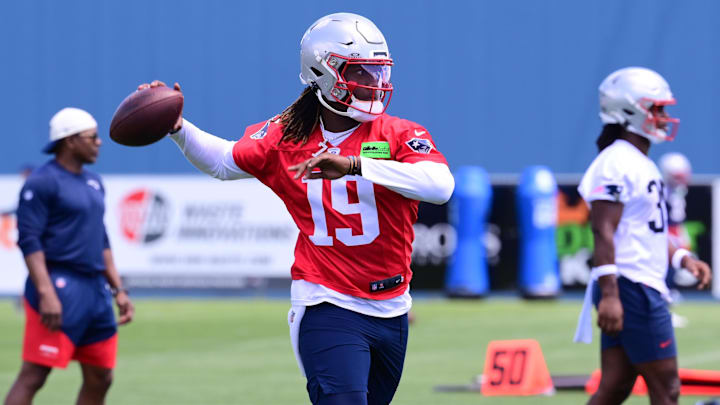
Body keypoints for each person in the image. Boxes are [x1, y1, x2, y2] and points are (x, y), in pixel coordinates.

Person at [139, 12, 454, 405]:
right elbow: (223, 161)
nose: (372, 85)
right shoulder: (286, 136)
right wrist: (178, 127)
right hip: (327, 301)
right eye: (359, 73)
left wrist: (356, 165)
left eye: (376, 73)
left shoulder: (399, 134)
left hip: (393, 306)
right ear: (323, 73)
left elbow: (440, 186)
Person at [573, 67, 711, 405]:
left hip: (635, 286)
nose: (664, 117)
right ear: (628, 110)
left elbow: (645, 228)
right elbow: (602, 229)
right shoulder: (616, 161)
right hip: (632, 288)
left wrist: (682, 257)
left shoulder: (638, 160)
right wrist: (610, 295)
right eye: (657, 108)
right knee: (667, 389)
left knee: (615, 387)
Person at [4, 107, 134, 405]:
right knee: (35, 374)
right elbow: (29, 240)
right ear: (70, 141)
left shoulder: (94, 183)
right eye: (93, 137)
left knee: (101, 377)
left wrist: (118, 289)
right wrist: (46, 291)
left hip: (95, 291)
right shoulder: (42, 182)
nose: (99, 142)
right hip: (60, 285)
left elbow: (101, 239)